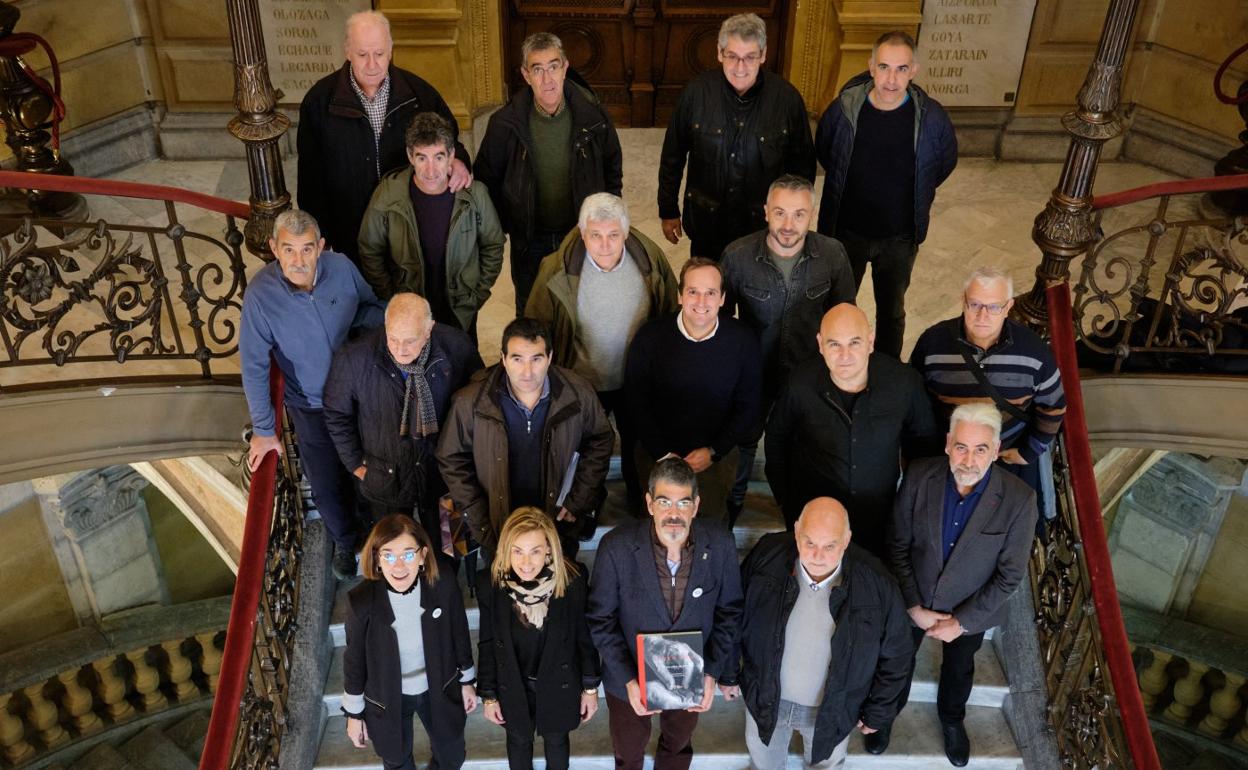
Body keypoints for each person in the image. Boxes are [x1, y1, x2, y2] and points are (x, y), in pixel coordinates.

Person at [886, 404, 1037, 766]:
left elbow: (1009, 576)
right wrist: (912, 605)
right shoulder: (920, 475)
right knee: (897, 659)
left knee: (959, 667)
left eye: (981, 449)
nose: (969, 459)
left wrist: (962, 622)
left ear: (996, 449)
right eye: (962, 447)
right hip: (916, 598)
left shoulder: (1019, 500)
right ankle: (886, 713)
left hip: (971, 610)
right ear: (948, 443)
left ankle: (952, 720)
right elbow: (898, 545)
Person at [241, 209, 384, 580]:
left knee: (369, 465)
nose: (298, 260)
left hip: (359, 395)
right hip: (311, 406)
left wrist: (360, 337)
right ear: (274, 248)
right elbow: (254, 363)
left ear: (321, 247)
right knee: (325, 481)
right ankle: (345, 541)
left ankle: (380, 534)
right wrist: (263, 428)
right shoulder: (260, 296)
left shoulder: (341, 267)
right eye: (289, 250)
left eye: (306, 249)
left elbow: (372, 306)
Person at [587, 457, 744, 770]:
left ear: (696, 506)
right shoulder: (615, 547)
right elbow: (600, 620)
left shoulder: (721, 545)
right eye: (664, 501)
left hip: (691, 676)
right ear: (649, 503)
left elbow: (730, 611)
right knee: (629, 752)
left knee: (678, 745)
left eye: (683, 503)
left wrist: (711, 671)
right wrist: (630, 681)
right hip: (629, 678)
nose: (674, 513)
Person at [525, 193, 678, 505]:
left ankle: (641, 506)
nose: (605, 245)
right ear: (583, 234)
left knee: (640, 446)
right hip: (583, 381)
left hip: (635, 378)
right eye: (595, 235)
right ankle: (585, 508)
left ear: (625, 232)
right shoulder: (555, 269)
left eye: (613, 235)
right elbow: (537, 327)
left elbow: (668, 314)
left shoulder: (650, 260)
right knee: (583, 449)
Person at [737, 497, 912, 769]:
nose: (818, 556)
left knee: (827, 765)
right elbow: (732, 611)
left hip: (832, 708)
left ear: (846, 540)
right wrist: (725, 670)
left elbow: (898, 653)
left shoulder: (877, 583)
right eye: (809, 543)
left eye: (830, 546)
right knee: (764, 762)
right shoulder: (767, 555)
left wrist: (879, 709)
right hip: (765, 696)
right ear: (796, 531)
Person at [720, 173, 856, 521]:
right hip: (754, 373)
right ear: (766, 211)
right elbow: (721, 324)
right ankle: (730, 505)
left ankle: (798, 512)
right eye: (780, 212)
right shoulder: (737, 257)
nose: (788, 224)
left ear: (811, 215)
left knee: (805, 445)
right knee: (744, 442)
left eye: (799, 214)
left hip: (808, 372)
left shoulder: (832, 255)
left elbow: (845, 315)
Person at [815, 30, 958, 358]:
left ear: (914, 71)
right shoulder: (845, 109)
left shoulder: (932, 119)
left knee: (891, 313)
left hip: (899, 238)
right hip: (845, 233)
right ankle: (833, 366)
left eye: (901, 69)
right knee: (837, 306)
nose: (891, 79)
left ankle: (888, 371)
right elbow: (827, 151)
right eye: (884, 67)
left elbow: (943, 163)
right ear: (870, 66)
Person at [298, 11, 471, 262]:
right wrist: (317, 236)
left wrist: (459, 160)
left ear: (390, 50)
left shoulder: (419, 95)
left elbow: (451, 139)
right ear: (347, 51)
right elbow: (311, 178)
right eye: (362, 54)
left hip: (409, 229)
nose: (372, 64)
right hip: (350, 234)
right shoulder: (318, 102)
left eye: (379, 54)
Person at [766, 304, 939, 554]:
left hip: (880, 520)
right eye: (834, 344)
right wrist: (786, 502)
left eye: (854, 343)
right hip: (815, 524)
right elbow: (776, 439)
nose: (844, 355)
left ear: (870, 341)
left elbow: (924, 445)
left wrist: (910, 507)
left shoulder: (904, 383)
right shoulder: (800, 383)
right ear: (820, 344)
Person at [436, 317, 614, 559]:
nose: (527, 372)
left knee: (558, 588)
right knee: (501, 589)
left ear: (550, 358)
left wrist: (579, 500)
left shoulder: (578, 394)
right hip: (498, 525)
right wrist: (479, 518)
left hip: (556, 524)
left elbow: (600, 440)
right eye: (517, 359)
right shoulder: (471, 402)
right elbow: (451, 457)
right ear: (503, 358)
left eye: (536, 359)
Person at [475, 31, 623, 314]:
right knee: (532, 310)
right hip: (529, 238)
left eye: (554, 67)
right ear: (525, 75)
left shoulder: (593, 116)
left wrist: (605, 220)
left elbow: (612, 167)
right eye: (538, 69)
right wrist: (508, 227)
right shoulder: (505, 124)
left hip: (580, 232)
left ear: (565, 68)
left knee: (581, 309)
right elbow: (486, 180)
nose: (547, 79)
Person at [323, 293, 482, 541]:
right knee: (391, 548)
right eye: (393, 339)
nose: (400, 349)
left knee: (447, 546)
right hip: (385, 477)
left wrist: (467, 460)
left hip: (443, 476)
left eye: (410, 341)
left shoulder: (457, 347)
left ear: (429, 329)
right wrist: (355, 463)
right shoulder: (354, 358)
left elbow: (477, 404)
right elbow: (336, 413)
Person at [658, 13, 815, 261]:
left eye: (750, 58)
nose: (740, 68)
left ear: (763, 55)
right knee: (711, 297)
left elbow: (803, 170)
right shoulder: (695, 94)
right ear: (719, 53)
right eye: (732, 56)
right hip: (706, 225)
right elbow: (672, 156)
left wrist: (795, 222)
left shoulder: (787, 100)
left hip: (763, 231)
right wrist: (667, 209)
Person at [909, 266, 1066, 511]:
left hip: (1005, 456)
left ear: (1008, 307)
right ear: (963, 301)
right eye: (975, 305)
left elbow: (1053, 405)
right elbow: (915, 401)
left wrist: (1028, 452)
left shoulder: (1035, 353)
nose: (983, 316)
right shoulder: (932, 343)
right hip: (950, 456)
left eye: (994, 307)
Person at [625, 258, 762, 523]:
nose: (701, 302)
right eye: (693, 292)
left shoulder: (742, 341)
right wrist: (663, 454)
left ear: (722, 299)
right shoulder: (650, 337)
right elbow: (635, 401)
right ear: (679, 295)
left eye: (710, 293)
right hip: (656, 455)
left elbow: (749, 406)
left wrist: (713, 451)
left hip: (714, 458)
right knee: (656, 527)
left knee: (709, 527)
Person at [341, 514, 478, 770]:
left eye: (408, 554)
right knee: (396, 759)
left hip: (437, 685)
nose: (399, 566)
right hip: (389, 695)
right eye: (389, 555)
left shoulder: (442, 583)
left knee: (452, 755)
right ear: (377, 559)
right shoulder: (360, 602)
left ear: (423, 555)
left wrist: (468, 680)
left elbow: (459, 632)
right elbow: (354, 661)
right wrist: (354, 713)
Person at [357, 112, 504, 341]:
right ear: (410, 156)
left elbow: (493, 245)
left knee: (463, 366)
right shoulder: (387, 195)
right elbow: (369, 249)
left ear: (451, 156)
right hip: (411, 308)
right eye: (422, 157)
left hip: (460, 307)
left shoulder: (475, 195)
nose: (431, 170)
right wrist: (391, 295)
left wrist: (476, 294)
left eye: (438, 157)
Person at [476, 508, 601, 770]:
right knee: (518, 742)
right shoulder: (491, 585)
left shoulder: (571, 581)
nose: (526, 562)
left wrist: (590, 688)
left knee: (557, 742)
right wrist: (488, 695)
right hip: (513, 685)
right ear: (506, 550)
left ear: (548, 548)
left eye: (535, 550)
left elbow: (583, 637)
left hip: (558, 682)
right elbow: (488, 643)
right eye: (517, 551)